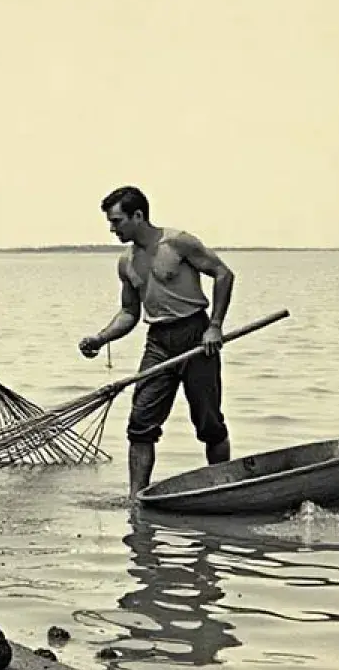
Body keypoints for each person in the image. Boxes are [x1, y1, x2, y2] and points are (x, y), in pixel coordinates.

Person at [78, 185, 236, 500]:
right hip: (158, 342)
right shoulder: (126, 262)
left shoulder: (178, 242)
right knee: (140, 423)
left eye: (117, 221)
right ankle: (138, 500)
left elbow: (223, 274)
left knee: (209, 423)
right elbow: (128, 312)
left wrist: (215, 327)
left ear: (138, 215)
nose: (112, 229)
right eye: (110, 222)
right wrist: (100, 338)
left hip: (196, 334)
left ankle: (223, 489)